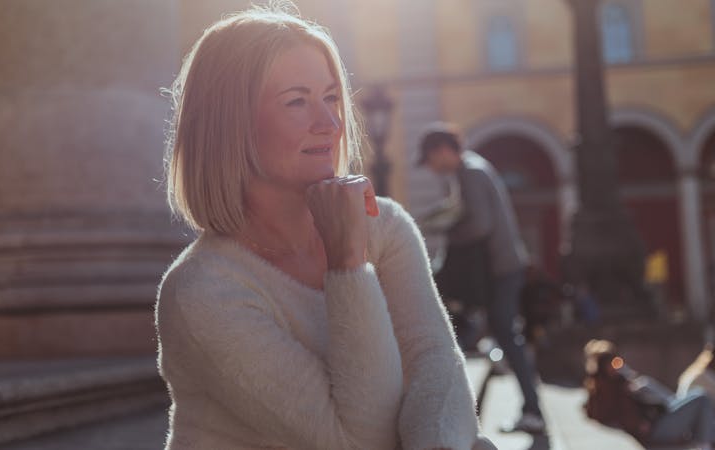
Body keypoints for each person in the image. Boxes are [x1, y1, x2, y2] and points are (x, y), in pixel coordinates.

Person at [155, 4, 495, 449]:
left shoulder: (386, 227)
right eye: (297, 101)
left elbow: (435, 363)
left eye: (332, 98)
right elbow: (358, 440)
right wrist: (349, 265)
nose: (331, 124)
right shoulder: (202, 293)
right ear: (231, 124)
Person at [418, 122, 545, 434]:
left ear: (442, 151)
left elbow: (480, 225)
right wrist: (432, 218)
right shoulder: (472, 169)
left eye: (430, 160)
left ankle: (533, 411)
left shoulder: (470, 173)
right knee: (502, 333)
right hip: (502, 268)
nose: (432, 169)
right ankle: (527, 404)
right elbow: (462, 212)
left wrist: (446, 231)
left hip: (500, 270)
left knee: (506, 334)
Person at [584, 339, 714, 449]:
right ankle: (703, 444)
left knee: (698, 394)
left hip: (658, 415)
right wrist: (638, 422)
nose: (617, 365)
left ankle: (703, 442)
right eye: (613, 362)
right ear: (603, 366)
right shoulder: (606, 387)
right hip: (653, 427)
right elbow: (605, 413)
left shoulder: (620, 380)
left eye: (617, 360)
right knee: (701, 398)